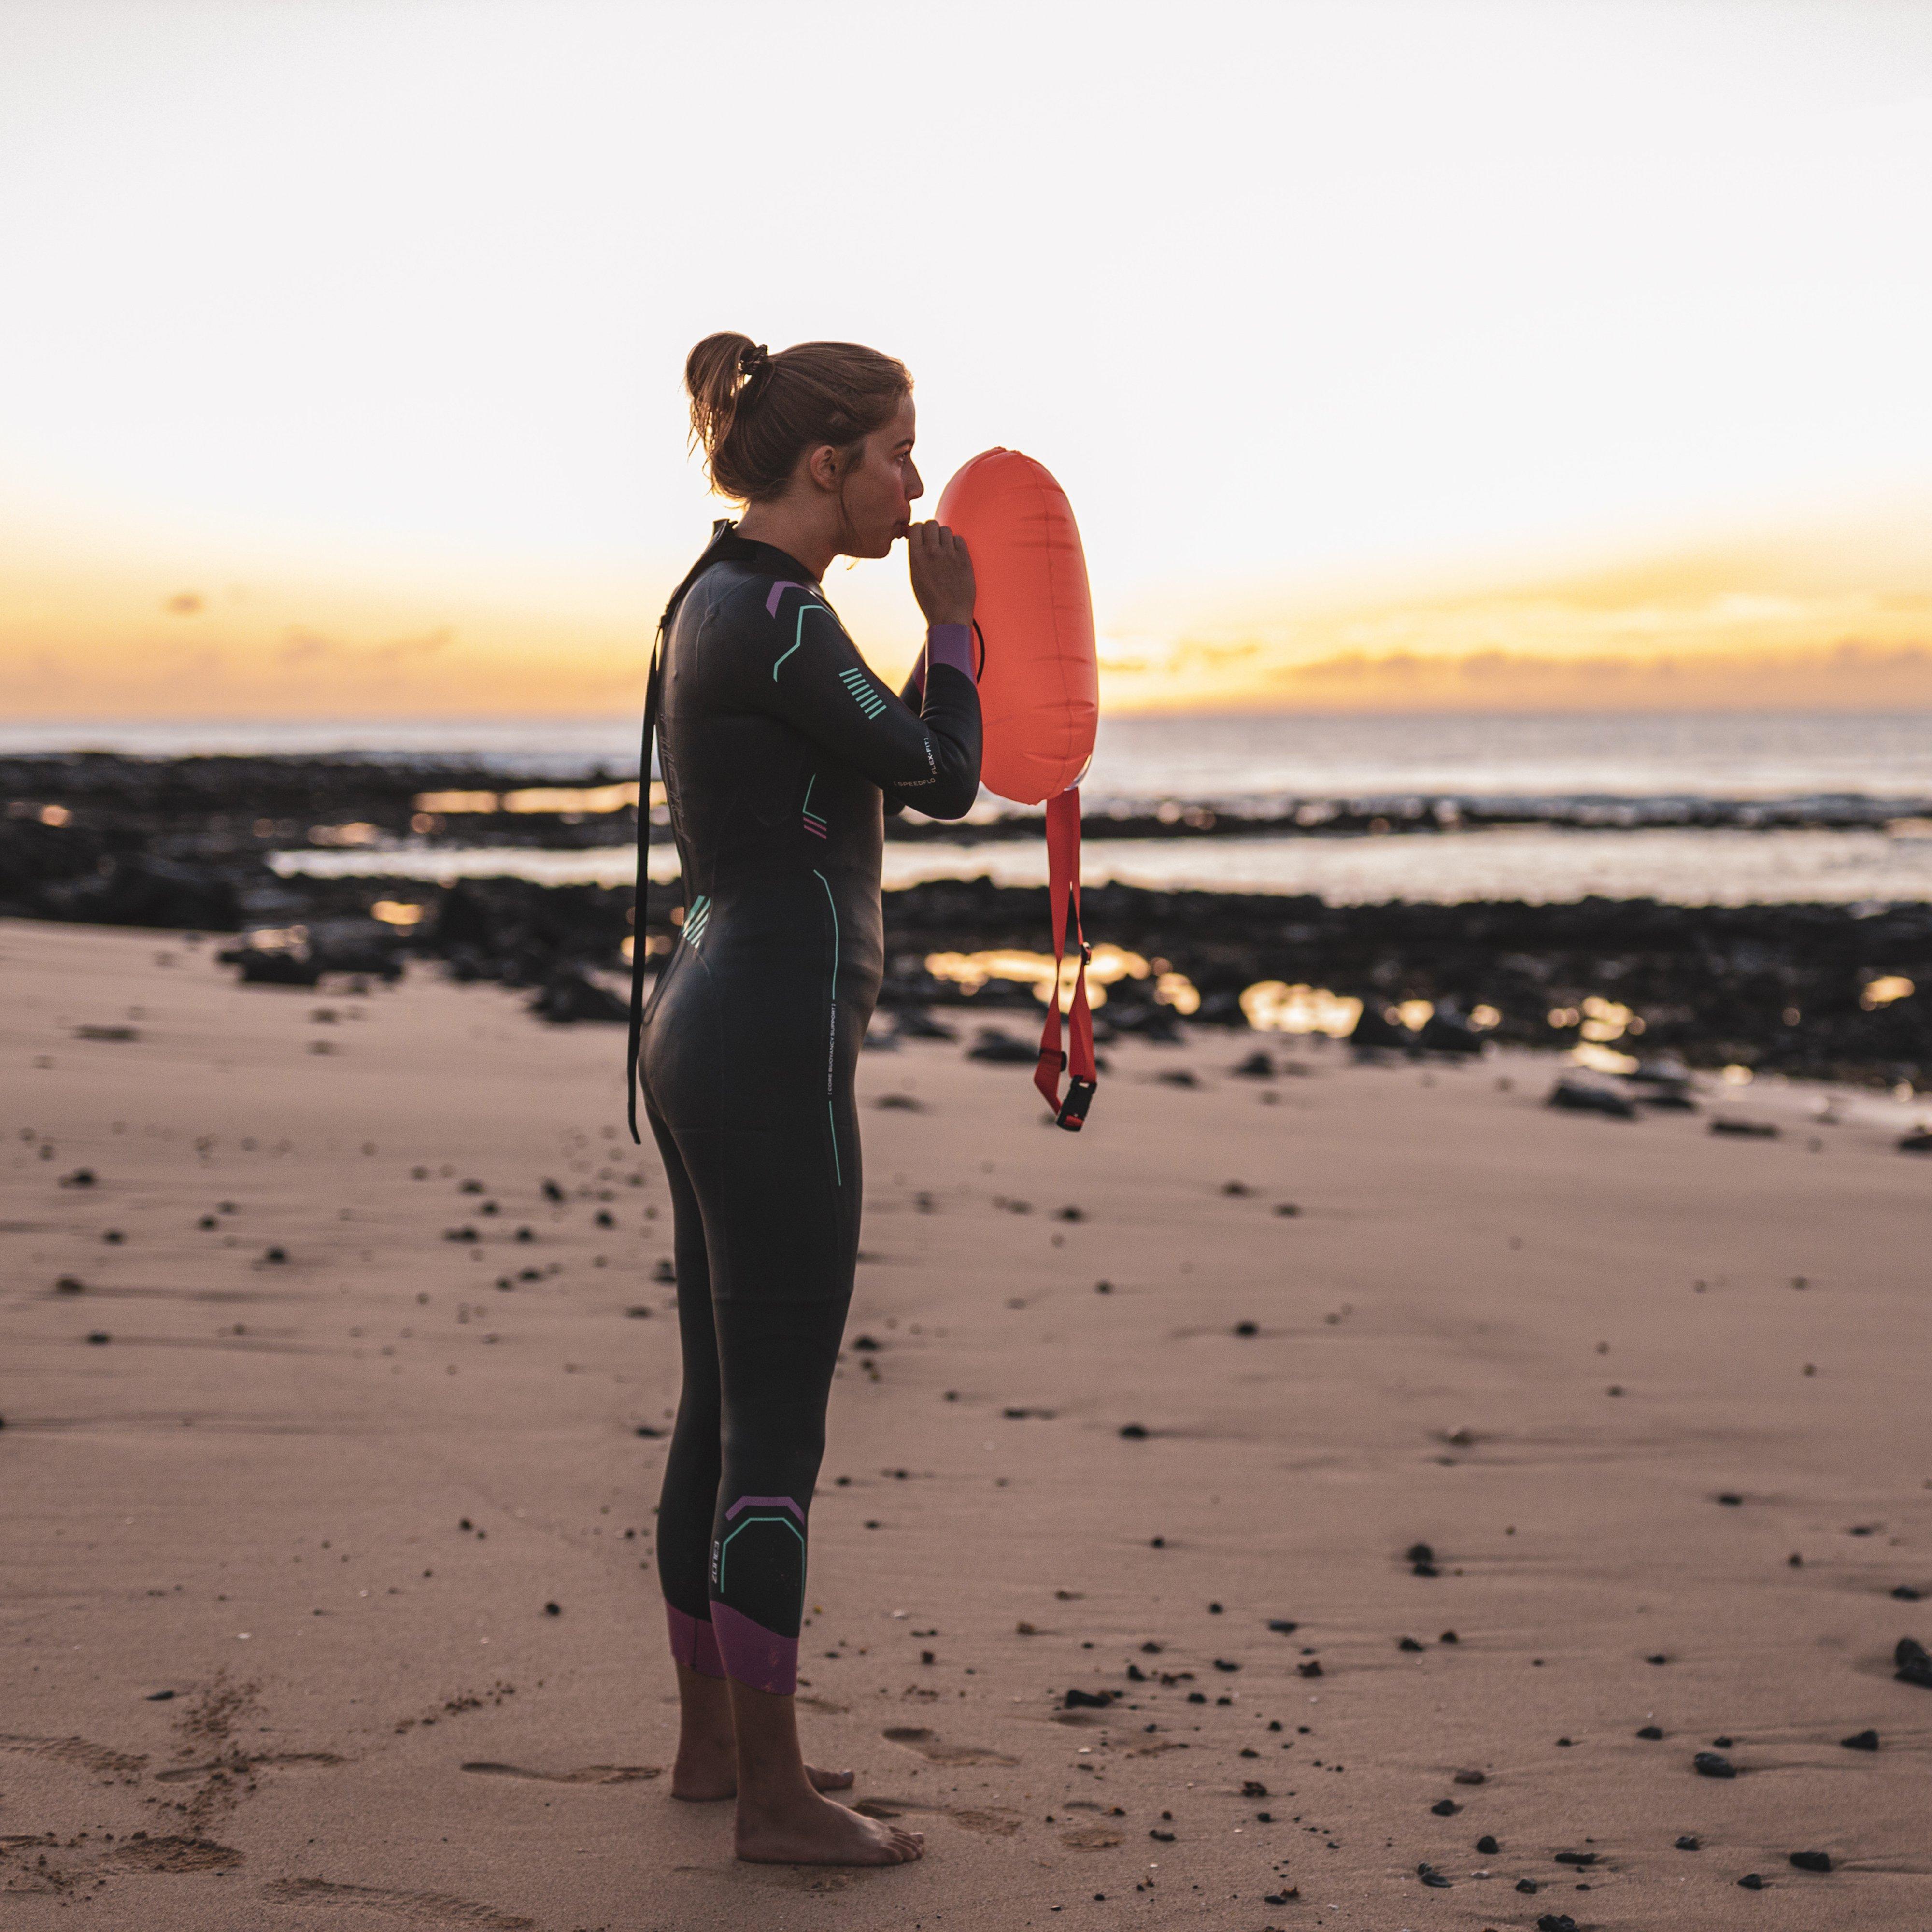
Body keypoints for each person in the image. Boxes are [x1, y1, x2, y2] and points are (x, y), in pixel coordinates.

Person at [630, 333, 981, 1865]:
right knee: (776, 1421)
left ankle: (713, 1752)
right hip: (772, 1047)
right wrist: (956, 627)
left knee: (719, 1403)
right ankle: (777, 1801)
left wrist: (916, 646)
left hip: (703, 1025)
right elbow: (941, 772)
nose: (916, 479)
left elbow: (873, 754)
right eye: (901, 450)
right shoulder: (782, 616)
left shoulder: (716, 602)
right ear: (826, 463)